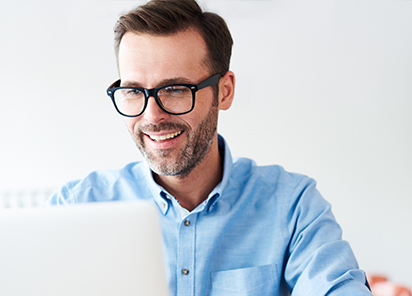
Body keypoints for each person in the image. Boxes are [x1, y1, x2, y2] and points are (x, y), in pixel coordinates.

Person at [47, 0, 374, 295]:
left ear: (225, 91)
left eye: (174, 89)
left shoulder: (292, 206)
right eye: (134, 91)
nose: (152, 117)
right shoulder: (78, 208)